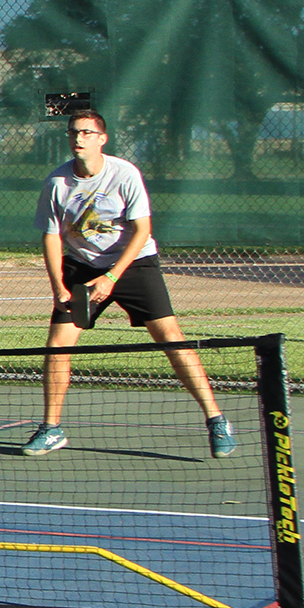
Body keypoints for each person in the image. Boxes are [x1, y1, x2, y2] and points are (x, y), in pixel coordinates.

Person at [24, 108, 235, 459]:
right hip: (81, 266)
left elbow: (142, 230)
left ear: (102, 139)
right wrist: (59, 286)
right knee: (58, 345)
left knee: (170, 338)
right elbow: (51, 237)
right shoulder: (57, 182)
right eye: (74, 132)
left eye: (87, 132)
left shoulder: (124, 174)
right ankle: (51, 428)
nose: (79, 138)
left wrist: (111, 277)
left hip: (134, 263)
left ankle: (216, 419)